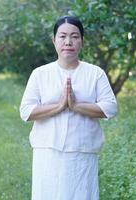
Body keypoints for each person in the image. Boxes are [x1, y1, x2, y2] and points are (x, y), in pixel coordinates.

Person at [19, 15, 117, 200]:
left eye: (75, 36)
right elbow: (26, 111)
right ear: (54, 40)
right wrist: (59, 106)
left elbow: (110, 108)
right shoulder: (40, 74)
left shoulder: (95, 73)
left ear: (82, 41)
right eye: (63, 36)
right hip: (47, 152)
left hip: (82, 153)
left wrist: (76, 106)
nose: (68, 42)